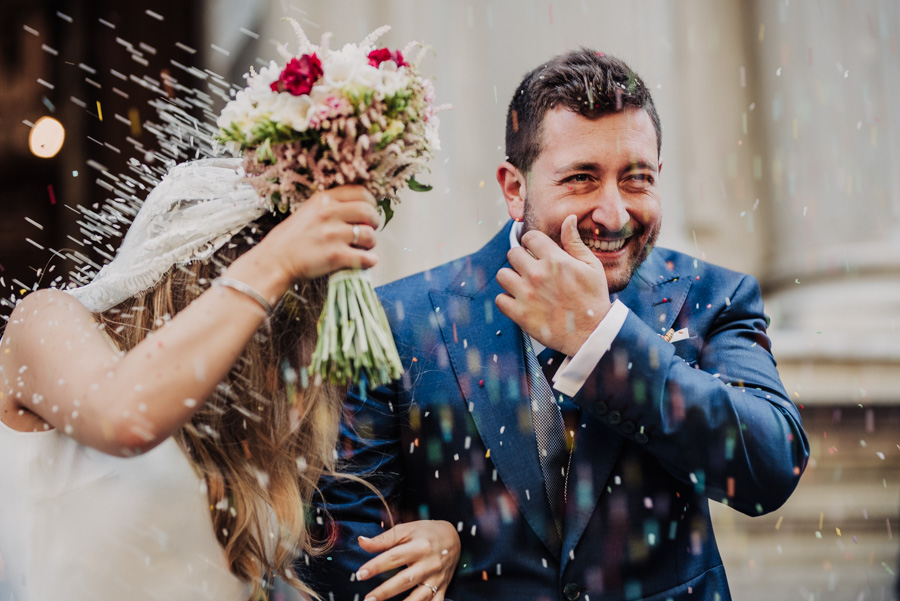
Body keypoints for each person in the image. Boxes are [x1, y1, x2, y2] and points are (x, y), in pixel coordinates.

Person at [301, 50, 811, 601]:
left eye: (636, 179)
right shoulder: (401, 319)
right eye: (582, 179)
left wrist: (603, 340)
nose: (614, 213)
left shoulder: (713, 298)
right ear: (514, 188)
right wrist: (448, 546)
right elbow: (334, 545)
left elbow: (770, 467)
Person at [0, 157, 459, 601]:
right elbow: (124, 418)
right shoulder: (45, 321)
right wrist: (277, 260)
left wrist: (440, 542)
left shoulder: (257, 425)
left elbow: (337, 558)